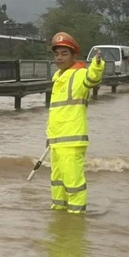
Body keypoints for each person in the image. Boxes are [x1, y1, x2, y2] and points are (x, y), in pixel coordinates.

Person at [47, 32, 105, 214]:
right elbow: (57, 112)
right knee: (57, 181)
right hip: (57, 141)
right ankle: (58, 213)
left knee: (73, 183)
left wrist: (97, 64)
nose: (59, 58)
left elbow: (92, 79)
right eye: (57, 54)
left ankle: (76, 220)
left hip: (71, 141)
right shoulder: (58, 77)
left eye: (64, 53)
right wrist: (49, 137)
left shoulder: (79, 74)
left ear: (74, 56)